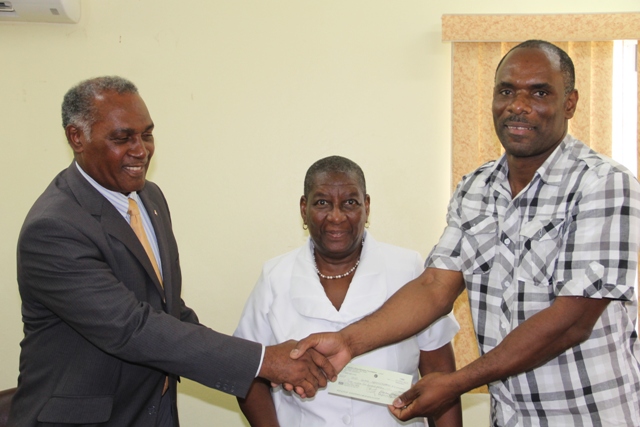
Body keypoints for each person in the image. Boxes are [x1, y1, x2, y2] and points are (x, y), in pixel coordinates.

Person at [291, 40, 640, 426]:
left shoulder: (603, 184)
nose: (517, 105)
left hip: (590, 415)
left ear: (570, 103)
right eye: (506, 91)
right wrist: (348, 342)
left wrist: (457, 382)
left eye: (539, 92)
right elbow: (434, 288)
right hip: (510, 416)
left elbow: (573, 319)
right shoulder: (475, 188)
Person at [10, 76, 335, 427]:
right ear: (77, 137)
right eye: (122, 138)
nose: (141, 150)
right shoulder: (54, 228)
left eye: (146, 134)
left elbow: (168, 310)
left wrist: (260, 365)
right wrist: (262, 361)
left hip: (152, 412)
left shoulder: (149, 199)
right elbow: (132, 328)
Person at [234, 155, 461, 427]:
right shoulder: (275, 276)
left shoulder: (409, 270)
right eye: (322, 203)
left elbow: (439, 374)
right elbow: (247, 371)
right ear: (303, 209)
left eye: (350, 203)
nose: (336, 216)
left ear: (367, 206)